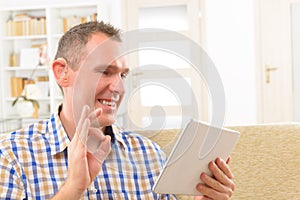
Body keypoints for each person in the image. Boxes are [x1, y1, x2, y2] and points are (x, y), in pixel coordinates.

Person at [0, 21, 235, 199]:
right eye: (105, 72)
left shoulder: (149, 155)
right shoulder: (12, 156)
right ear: (62, 72)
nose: (119, 87)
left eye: (123, 75)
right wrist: (73, 187)